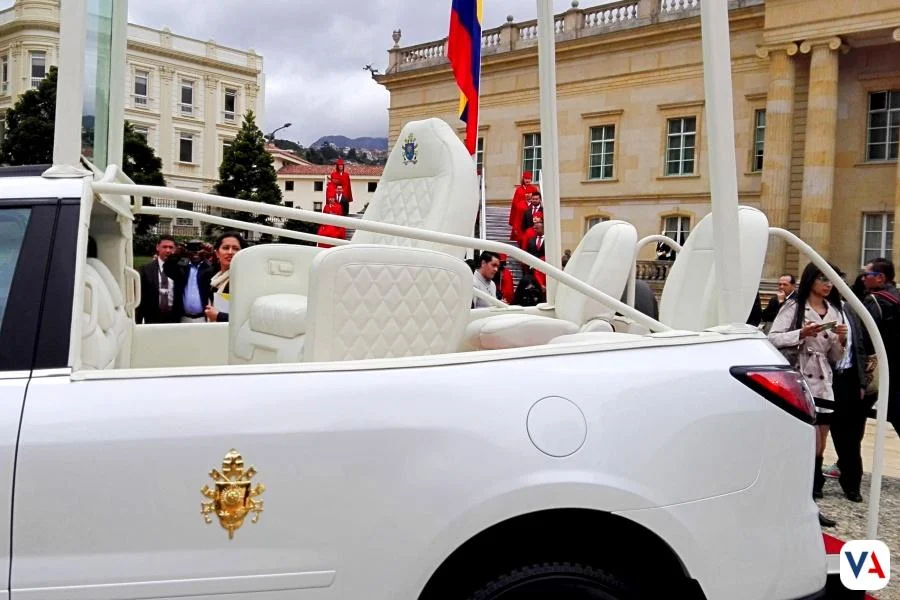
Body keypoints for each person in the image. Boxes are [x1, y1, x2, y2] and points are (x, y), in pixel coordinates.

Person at [769, 262, 847, 527]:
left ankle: (811, 500)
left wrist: (841, 341)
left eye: (831, 280)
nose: (828, 285)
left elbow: (836, 356)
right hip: (799, 375)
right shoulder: (794, 307)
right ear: (811, 279)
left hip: (823, 380)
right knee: (803, 443)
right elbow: (773, 338)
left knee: (819, 447)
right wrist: (801, 333)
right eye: (823, 279)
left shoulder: (835, 310)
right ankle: (799, 500)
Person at [825, 274, 871, 502]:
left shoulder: (849, 310)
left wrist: (862, 382)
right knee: (820, 434)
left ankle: (852, 484)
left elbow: (859, 347)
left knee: (851, 437)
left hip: (850, 380)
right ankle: (814, 483)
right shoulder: (817, 311)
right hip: (825, 379)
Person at [861, 258, 900, 438]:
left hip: (880, 367)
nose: (863, 278)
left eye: (866, 274)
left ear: (880, 277)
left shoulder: (875, 301)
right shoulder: (897, 296)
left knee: (854, 416)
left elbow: (866, 336)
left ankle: (847, 463)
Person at [164, 239, 215, 323]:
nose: (196, 254)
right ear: (187, 252)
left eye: (199, 250)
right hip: (183, 317)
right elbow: (167, 269)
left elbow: (218, 268)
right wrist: (176, 254)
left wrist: (212, 253)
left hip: (203, 317)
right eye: (192, 251)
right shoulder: (181, 267)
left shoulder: (208, 268)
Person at [203, 232, 247, 323]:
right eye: (226, 248)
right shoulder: (215, 279)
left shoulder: (245, 280)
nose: (230, 252)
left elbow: (247, 318)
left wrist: (219, 316)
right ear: (217, 253)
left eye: (235, 249)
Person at [136, 235, 178, 324]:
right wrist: (138, 321)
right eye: (164, 247)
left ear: (174, 249)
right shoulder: (146, 270)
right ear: (157, 247)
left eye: (171, 247)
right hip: (152, 317)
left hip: (174, 317)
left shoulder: (181, 269)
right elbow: (141, 297)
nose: (168, 250)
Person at [508, 172, 536, 245]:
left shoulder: (534, 188)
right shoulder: (519, 190)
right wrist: (522, 206)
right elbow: (515, 203)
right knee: (520, 234)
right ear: (523, 179)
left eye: (529, 179)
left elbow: (536, 200)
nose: (527, 180)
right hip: (520, 214)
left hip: (530, 214)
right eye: (526, 179)